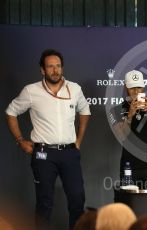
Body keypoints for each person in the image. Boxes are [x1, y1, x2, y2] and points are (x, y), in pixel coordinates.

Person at [5, 49, 91, 229]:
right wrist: (20, 140)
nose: (55, 70)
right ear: (42, 70)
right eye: (50, 66)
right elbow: (11, 112)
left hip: (69, 153)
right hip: (43, 154)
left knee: (77, 200)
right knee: (44, 203)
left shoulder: (74, 89)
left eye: (58, 66)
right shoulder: (31, 91)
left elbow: (84, 111)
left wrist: (79, 140)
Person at [109, 70, 147, 188]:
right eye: (132, 88)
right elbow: (121, 136)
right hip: (129, 167)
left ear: (143, 86)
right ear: (125, 87)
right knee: (129, 203)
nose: (136, 91)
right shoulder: (116, 110)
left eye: (139, 87)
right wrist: (129, 116)